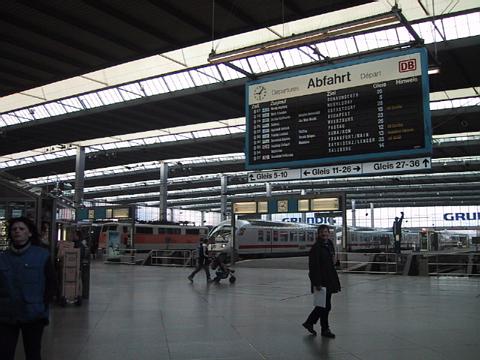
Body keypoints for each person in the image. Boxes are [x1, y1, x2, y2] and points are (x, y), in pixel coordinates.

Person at [0, 217, 56, 360]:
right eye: (14, 229)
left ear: (29, 233)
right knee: (5, 352)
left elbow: (52, 283)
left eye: (21, 229)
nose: (17, 231)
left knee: (33, 352)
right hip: (6, 315)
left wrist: (43, 305)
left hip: (34, 314)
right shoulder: (3, 258)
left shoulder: (42, 256)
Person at [302, 225, 341, 338]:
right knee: (325, 306)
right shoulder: (316, 248)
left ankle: (310, 323)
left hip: (329, 278)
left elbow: (330, 262)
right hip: (321, 280)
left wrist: (335, 262)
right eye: (322, 232)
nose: (324, 234)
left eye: (326, 232)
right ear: (318, 234)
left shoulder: (329, 244)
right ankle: (324, 329)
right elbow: (314, 267)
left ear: (329, 233)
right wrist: (317, 283)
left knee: (323, 305)